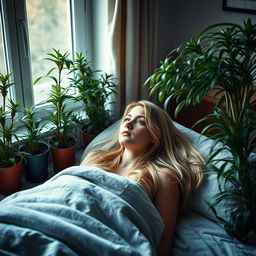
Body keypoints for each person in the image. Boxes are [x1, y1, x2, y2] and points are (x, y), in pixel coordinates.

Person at [80, 100, 205, 256]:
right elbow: (73, 191)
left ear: (155, 136)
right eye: (127, 119)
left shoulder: (162, 176)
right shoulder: (94, 158)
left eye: (140, 122)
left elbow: (164, 239)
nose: (129, 124)